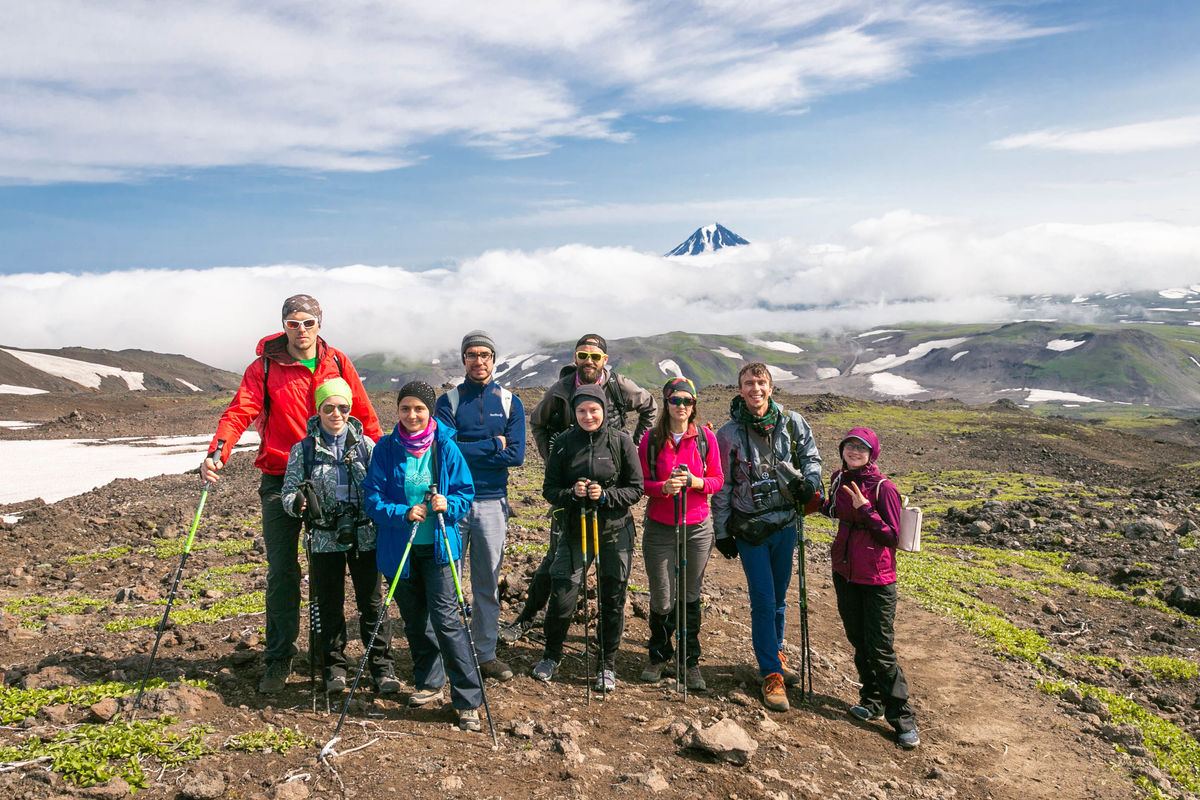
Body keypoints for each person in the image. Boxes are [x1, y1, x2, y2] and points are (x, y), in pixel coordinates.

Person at [201, 295, 382, 695]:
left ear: (320, 323)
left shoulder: (337, 362)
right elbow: (239, 411)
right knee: (283, 572)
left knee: (332, 568)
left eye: (308, 323)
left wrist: (383, 467)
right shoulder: (264, 367)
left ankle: (330, 655)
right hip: (280, 477)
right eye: (293, 323)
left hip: (334, 481)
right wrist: (219, 451)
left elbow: (365, 417)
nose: (301, 330)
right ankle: (279, 657)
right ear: (283, 325)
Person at [501, 334, 656, 644]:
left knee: (611, 570)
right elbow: (538, 422)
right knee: (555, 559)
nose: (589, 361)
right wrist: (553, 457)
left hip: (610, 491)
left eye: (595, 356)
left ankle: (605, 641)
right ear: (574, 358)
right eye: (582, 355)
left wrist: (633, 450)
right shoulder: (560, 390)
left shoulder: (619, 385)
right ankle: (527, 617)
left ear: (605, 360)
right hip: (572, 490)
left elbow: (650, 408)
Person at [362, 381, 485, 732]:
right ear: (397, 411)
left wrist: (450, 504)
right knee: (415, 620)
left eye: (419, 409)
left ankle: (467, 699)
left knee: (447, 620)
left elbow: (464, 491)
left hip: (439, 548)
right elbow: (372, 497)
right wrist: (402, 512)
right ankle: (429, 682)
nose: (412, 415)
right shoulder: (385, 448)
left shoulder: (445, 447)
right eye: (405, 408)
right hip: (399, 549)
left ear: (429, 411)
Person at [711, 362, 821, 713]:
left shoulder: (793, 423)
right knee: (762, 598)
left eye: (761, 383)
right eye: (748, 383)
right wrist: (722, 531)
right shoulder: (728, 433)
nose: (755, 389)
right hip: (750, 529)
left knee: (778, 598)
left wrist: (811, 484)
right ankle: (770, 673)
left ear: (771, 388)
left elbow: (812, 458)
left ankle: (775, 652)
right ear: (740, 389)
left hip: (786, 525)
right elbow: (723, 485)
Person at [280, 378, 397, 695]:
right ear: (318, 409)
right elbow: (288, 495)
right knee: (328, 606)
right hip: (322, 539)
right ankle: (334, 670)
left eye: (343, 407)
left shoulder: (368, 447)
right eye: (328, 407)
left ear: (350, 408)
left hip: (365, 537)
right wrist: (299, 503)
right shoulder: (303, 450)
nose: (336, 413)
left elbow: (382, 488)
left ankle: (383, 669)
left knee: (373, 605)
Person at [531, 384, 644, 691]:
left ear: (604, 410)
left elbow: (636, 488)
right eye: (581, 410)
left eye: (594, 410)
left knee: (613, 596)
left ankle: (607, 664)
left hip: (615, 530)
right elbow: (549, 489)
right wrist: (572, 493)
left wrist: (606, 495)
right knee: (564, 591)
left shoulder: (621, 442)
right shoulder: (565, 443)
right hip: (574, 529)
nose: (588, 415)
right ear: (575, 412)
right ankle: (551, 654)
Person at [434, 330, 526, 683]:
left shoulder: (509, 402)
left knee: (486, 581)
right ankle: (451, 655)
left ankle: (485, 654)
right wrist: (492, 444)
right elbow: (443, 450)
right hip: (454, 502)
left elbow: (515, 455)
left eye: (484, 354)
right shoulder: (449, 402)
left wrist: (467, 445)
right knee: (447, 581)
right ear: (463, 360)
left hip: (492, 503)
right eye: (471, 355)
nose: (478, 361)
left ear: (493, 359)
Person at [822, 427, 920, 749]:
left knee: (880, 648)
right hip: (845, 572)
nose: (854, 451)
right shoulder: (839, 479)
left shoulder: (884, 487)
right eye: (849, 446)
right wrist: (808, 498)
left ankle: (903, 718)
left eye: (861, 448)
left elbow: (892, 536)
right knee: (858, 640)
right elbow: (835, 512)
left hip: (877, 579)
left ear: (872, 453)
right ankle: (872, 700)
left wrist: (866, 508)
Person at [637, 377, 723, 690]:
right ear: (667, 403)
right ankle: (659, 655)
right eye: (676, 401)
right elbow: (641, 484)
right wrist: (663, 488)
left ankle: (690, 661)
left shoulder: (705, 438)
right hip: (660, 527)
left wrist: (695, 483)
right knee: (662, 596)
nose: (682, 407)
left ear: (694, 405)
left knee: (689, 596)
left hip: (697, 528)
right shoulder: (651, 439)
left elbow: (717, 480)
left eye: (688, 401)